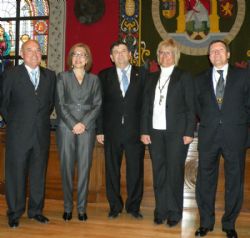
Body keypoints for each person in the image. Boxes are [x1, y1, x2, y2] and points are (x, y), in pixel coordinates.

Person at [194, 40, 250, 238]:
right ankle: (206, 223)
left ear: (228, 55)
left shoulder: (244, 76)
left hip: (235, 136)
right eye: (212, 51)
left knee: (234, 180)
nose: (215, 54)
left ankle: (229, 224)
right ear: (208, 57)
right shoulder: (199, 79)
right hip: (209, 136)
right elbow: (197, 108)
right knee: (204, 181)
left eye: (220, 50)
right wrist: (212, 120)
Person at [0, 39, 56, 228]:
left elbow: (49, 105)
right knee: (16, 174)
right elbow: (4, 104)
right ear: (22, 54)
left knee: (38, 174)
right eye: (29, 50)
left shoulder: (50, 76)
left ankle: (36, 211)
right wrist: (17, 123)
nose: (34, 54)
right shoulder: (11, 75)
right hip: (18, 134)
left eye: (38, 50)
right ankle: (14, 212)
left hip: (41, 134)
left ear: (42, 54)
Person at [140, 39, 196, 227]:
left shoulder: (184, 76)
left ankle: (174, 211)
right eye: (162, 52)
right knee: (159, 173)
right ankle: (160, 210)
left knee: (174, 173)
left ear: (175, 56)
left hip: (177, 134)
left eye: (169, 52)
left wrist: (189, 131)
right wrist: (144, 130)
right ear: (158, 55)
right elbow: (145, 108)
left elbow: (191, 107)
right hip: (155, 133)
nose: (165, 56)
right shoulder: (151, 78)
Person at [96, 41, 146, 219]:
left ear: (130, 54)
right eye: (116, 52)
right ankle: (115, 206)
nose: (120, 54)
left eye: (123, 51)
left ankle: (133, 207)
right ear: (111, 57)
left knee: (135, 172)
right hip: (111, 132)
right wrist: (99, 130)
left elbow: (146, 106)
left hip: (135, 132)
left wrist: (145, 130)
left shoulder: (143, 74)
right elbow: (99, 105)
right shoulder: (103, 76)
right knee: (112, 171)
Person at [55, 43, 102, 221]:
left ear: (87, 59)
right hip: (66, 128)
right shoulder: (62, 77)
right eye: (75, 54)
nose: (78, 58)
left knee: (84, 168)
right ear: (71, 59)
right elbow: (59, 104)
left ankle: (81, 208)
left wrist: (84, 123)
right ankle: (68, 207)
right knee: (66, 168)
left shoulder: (94, 80)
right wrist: (74, 123)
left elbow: (97, 105)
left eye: (82, 55)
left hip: (87, 129)